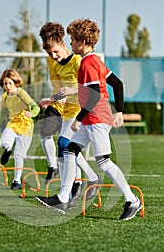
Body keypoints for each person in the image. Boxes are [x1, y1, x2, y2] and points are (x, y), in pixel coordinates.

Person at [36, 18, 142, 220]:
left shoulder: (87, 63)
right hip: (94, 116)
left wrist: (78, 119)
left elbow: (93, 95)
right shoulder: (95, 61)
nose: (71, 44)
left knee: (104, 162)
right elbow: (117, 84)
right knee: (69, 149)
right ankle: (63, 198)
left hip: (96, 118)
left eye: (73, 40)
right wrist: (118, 110)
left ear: (82, 41)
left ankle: (132, 200)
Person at [39, 22, 102, 205]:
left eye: (56, 52)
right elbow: (59, 90)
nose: (53, 56)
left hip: (80, 110)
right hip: (64, 109)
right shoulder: (51, 62)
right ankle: (85, 180)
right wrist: (50, 101)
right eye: (49, 53)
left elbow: (88, 89)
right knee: (66, 148)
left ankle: (68, 193)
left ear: (64, 44)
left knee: (65, 144)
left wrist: (71, 89)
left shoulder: (78, 61)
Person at [0, 68, 40, 190]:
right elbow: (3, 112)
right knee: (4, 143)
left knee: (19, 155)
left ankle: (16, 181)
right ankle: (8, 150)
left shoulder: (21, 93)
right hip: (12, 124)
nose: (7, 86)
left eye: (10, 83)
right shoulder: (5, 97)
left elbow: (35, 106)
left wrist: (31, 113)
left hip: (26, 126)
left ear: (15, 82)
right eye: (5, 83)